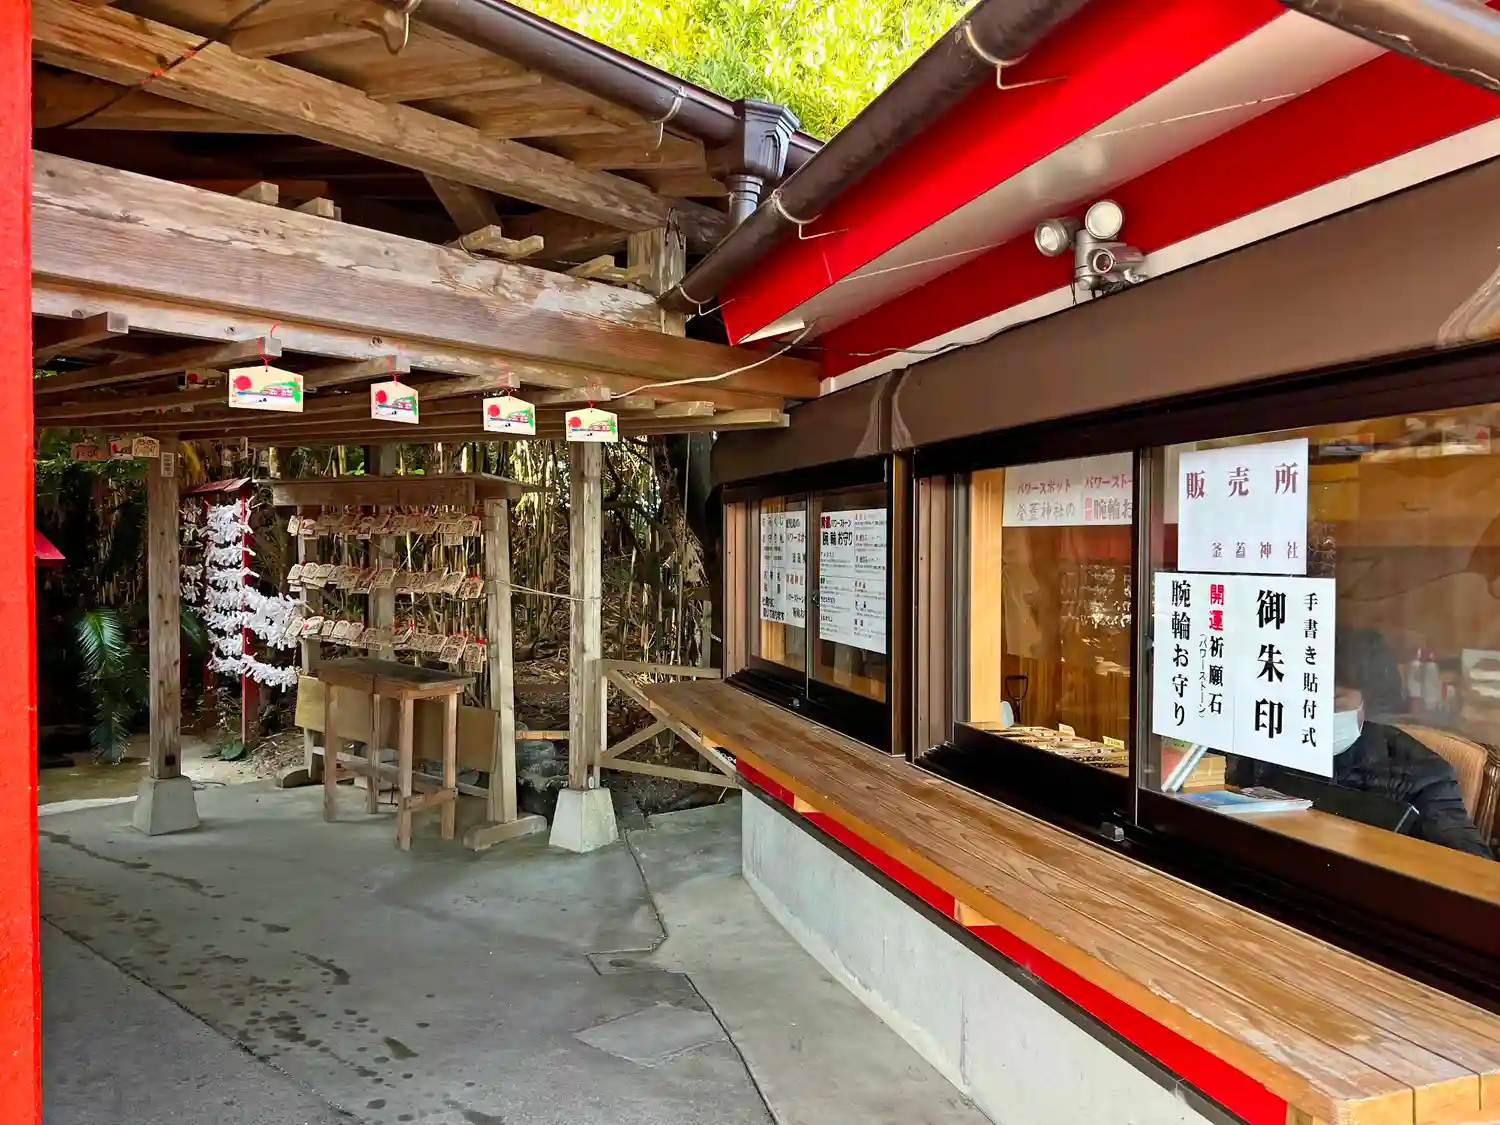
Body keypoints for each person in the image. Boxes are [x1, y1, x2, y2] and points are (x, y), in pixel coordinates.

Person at [1229, 681, 1495, 860]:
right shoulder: (1265, 747)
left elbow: (1473, 867)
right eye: (1308, 696)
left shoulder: (1417, 770)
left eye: (1333, 698)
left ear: (1363, 702)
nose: (1318, 708)